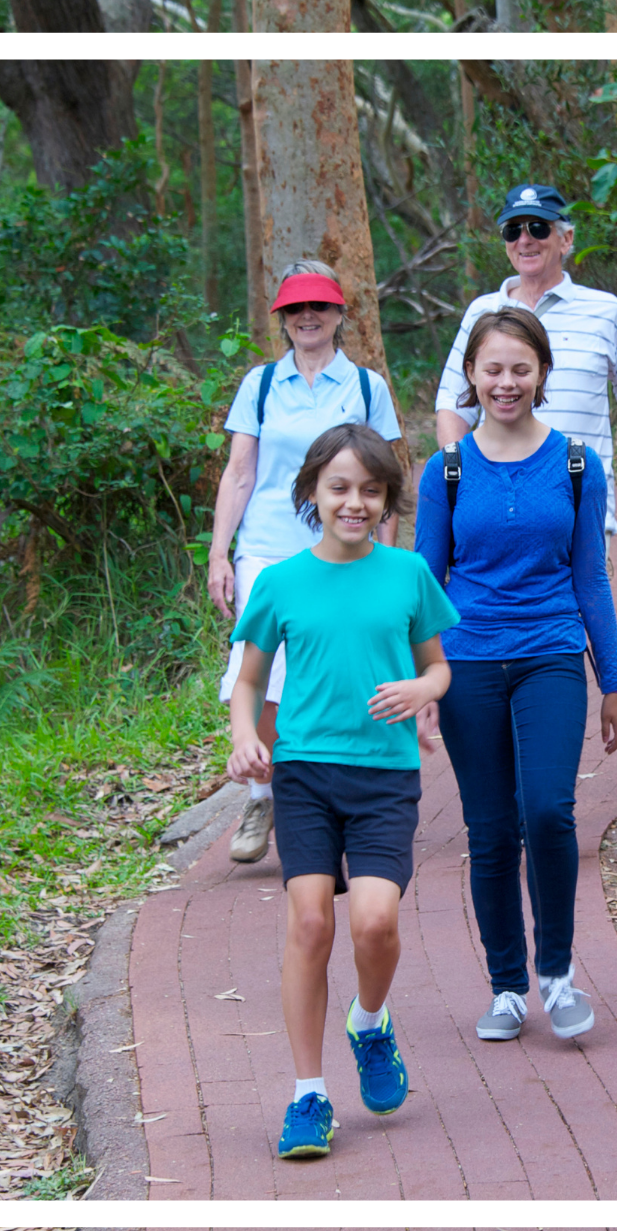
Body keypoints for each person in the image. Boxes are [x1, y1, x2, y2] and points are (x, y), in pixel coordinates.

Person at [226, 423, 457, 1159]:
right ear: (311, 494)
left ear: (387, 500)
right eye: (339, 488)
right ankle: (308, 1096)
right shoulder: (281, 582)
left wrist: (420, 688)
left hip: (385, 778)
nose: (354, 503)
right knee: (310, 926)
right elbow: (251, 680)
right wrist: (244, 736)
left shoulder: (408, 574)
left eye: (370, 490)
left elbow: (439, 668)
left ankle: (369, 1021)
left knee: (376, 924)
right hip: (305, 776)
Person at [415, 307, 617, 1042]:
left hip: (550, 655)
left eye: (519, 368)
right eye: (492, 369)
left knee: (547, 809)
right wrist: (423, 685)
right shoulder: (444, 471)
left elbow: (591, 578)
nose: (506, 383)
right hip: (469, 661)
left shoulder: (575, 464)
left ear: (541, 373)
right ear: (471, 378)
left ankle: (558, 975)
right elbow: (426, 586)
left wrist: (616, 683)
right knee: (491, 827)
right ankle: (507, 986)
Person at [206, 261, 403, 866]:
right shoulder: (261, 385)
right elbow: (240, 473)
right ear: (283, 320)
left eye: (319, 306)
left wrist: (388, 561)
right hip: (267, 548)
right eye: (294, 309)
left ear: (341, 314)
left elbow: (390, 476)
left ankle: (337, 798)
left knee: (342, 673)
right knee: (261, 676)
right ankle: (263, 795)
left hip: (346, 549)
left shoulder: (365, 386)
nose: (307, 317)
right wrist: (220, 552)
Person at [433, 182, 617, 554]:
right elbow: (454, 406)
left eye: (538, 228)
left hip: (579, 508)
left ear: (566, 239)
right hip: (498, 506)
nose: (525, 240)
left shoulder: (605, 311)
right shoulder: (481, 313)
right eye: (513, 229)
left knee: (582, 611)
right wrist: (464, 485)